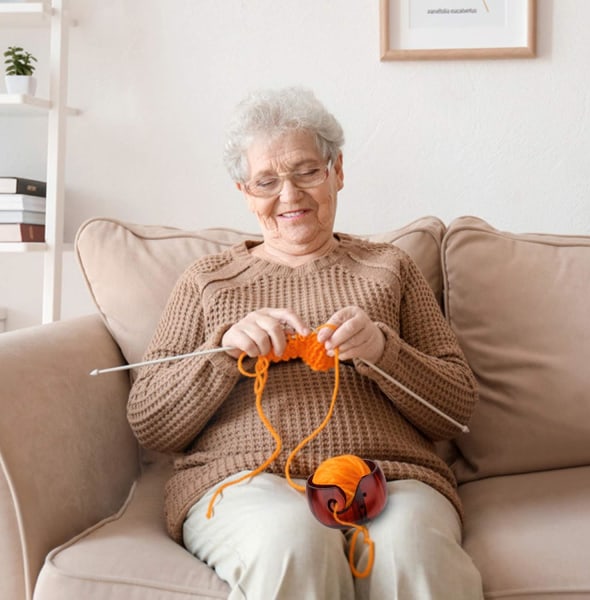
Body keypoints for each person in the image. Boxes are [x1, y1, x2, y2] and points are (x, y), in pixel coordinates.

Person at [127, 87, 484, 600]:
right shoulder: (208, 280)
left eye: (307, 171)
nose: (289, 195)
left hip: (389, 478)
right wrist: (223, 353)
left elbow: (456, 411)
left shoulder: (391, 269)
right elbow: (149, 422)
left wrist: (384, 352)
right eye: (266, 181)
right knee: (293, 539)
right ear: (245, 193)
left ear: (337, 172)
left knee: (412, 550)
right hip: (246, 482)